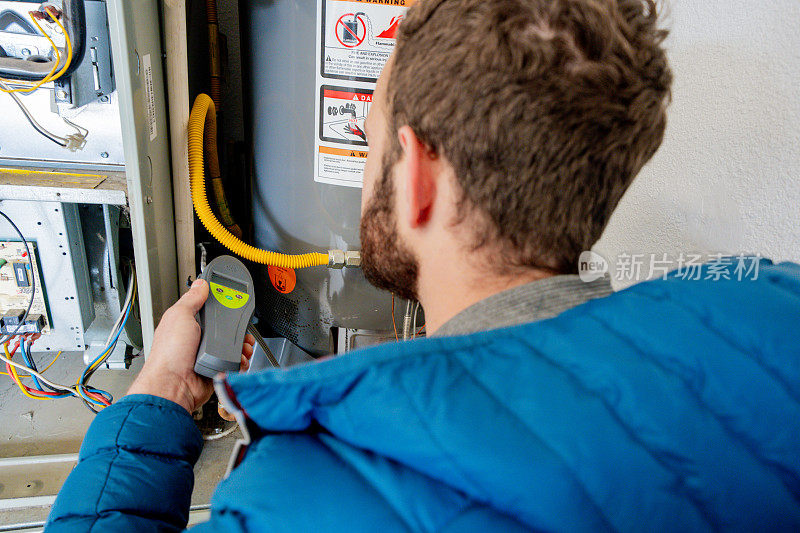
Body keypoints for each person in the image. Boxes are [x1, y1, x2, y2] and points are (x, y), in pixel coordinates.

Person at [47, 0, 800, 531]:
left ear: (421, 178)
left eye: (370, 138)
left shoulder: (300, 499)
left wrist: (162, 391)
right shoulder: (774, 331)